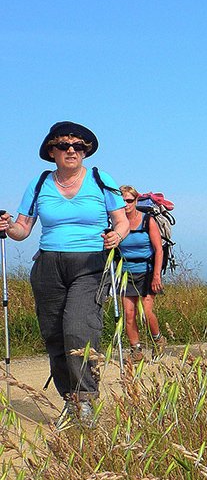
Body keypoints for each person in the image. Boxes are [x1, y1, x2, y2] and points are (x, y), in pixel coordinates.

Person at [0, 122, 128, 429]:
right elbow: (23, 229)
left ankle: (85, 401)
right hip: (48, 266)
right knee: (55, 336)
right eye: (65, 146)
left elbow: (121, 222)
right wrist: (7, 226)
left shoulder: (100, 179)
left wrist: (117, 237)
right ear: (51, 151)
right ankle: (70, 402)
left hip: (90, 264)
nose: (72, 151)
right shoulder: (40, 183)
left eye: (78, 146)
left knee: (78, 329)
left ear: (85, 152)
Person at [117, 186, 166, 362]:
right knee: (129, 314)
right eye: (122, 201)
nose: (126, 204)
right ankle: (136, 350)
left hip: (146, 271)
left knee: (145, 312)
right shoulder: (116, 222)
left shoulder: (148, 221)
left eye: (129, 200)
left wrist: (157, 276)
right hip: (124, 273)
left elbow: (158, 250)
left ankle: (158, 339)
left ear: (136, 201)